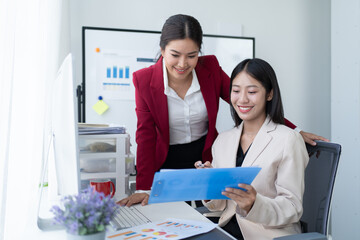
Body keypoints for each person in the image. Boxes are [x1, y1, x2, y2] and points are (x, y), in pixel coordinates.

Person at [118, 14, 326, 207]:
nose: (183, 64)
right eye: (175, 55)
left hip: (204, 159)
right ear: (163, 50)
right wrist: (144, 187)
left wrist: (294, 130)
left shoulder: (209, 68)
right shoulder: (144, 80)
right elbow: (145, 135)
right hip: (166, 160)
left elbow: (245, 101)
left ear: (199, 52)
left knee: (210, 214)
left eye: (191, 55)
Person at [194, 58, 309, 240]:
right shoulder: (223, 140)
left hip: (267, 234)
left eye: (252, 91)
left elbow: (293, 208)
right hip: (226, 229)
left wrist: (254, 204)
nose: (242, 99)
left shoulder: (289, 140)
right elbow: (221, 205)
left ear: (269, 94)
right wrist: (209, 188)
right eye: (236, 91)